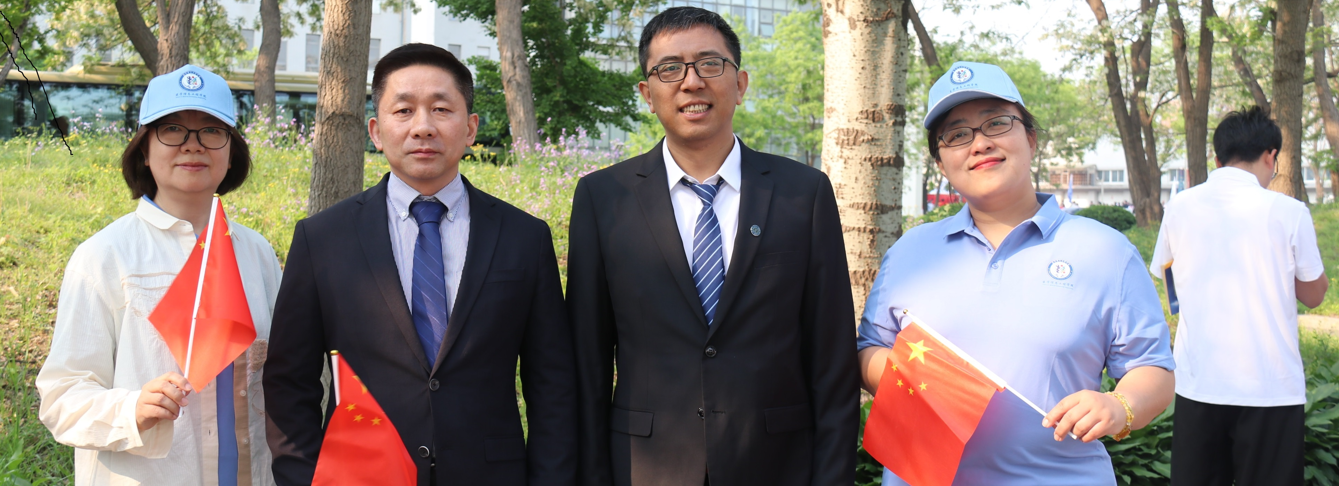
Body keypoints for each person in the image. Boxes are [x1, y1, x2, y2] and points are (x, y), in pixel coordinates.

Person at [566, 7, 859, 486]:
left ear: (740, 84)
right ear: (647, 94)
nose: (691, 82)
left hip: (776, 465)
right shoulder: (604, 199)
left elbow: (832, 358)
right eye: (669, 69)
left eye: (709, 64)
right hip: (646, 468)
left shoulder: (803, 194)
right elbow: (587, 361)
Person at [262, 43, 577, 485]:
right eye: (404, 110)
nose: (423, 127)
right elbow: (289, 381)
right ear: (376, 131)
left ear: (470, 128)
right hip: (361, 476)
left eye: (441, 109)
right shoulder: (323, 239)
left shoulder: (524, 236)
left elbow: (553, 384)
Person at [856, 61, 1176, 485]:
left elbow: (1153, 369)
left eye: (996, 123)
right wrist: (925, 379)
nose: (979, 144)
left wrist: (1120, 405)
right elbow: (869, 350)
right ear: (941, 163)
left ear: (1031, 138)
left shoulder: (1106, 251)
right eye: (957, 135)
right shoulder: (909, 253)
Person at [36, 65, 281, 485]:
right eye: (172, 129)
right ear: (145, 150)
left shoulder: (257, 253)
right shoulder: (103, 256)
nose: (193, 145)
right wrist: (131, 408)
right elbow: (61, 399)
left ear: (231, 152)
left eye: (212, 130)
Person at [1152, 107, 1328, 486]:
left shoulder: (1180, 206)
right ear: (1270, 156)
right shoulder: (1290, 211)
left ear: (1217, 159)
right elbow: (1314, 295)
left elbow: (1169, 282)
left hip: (1198, 383)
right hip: (1270, 388)